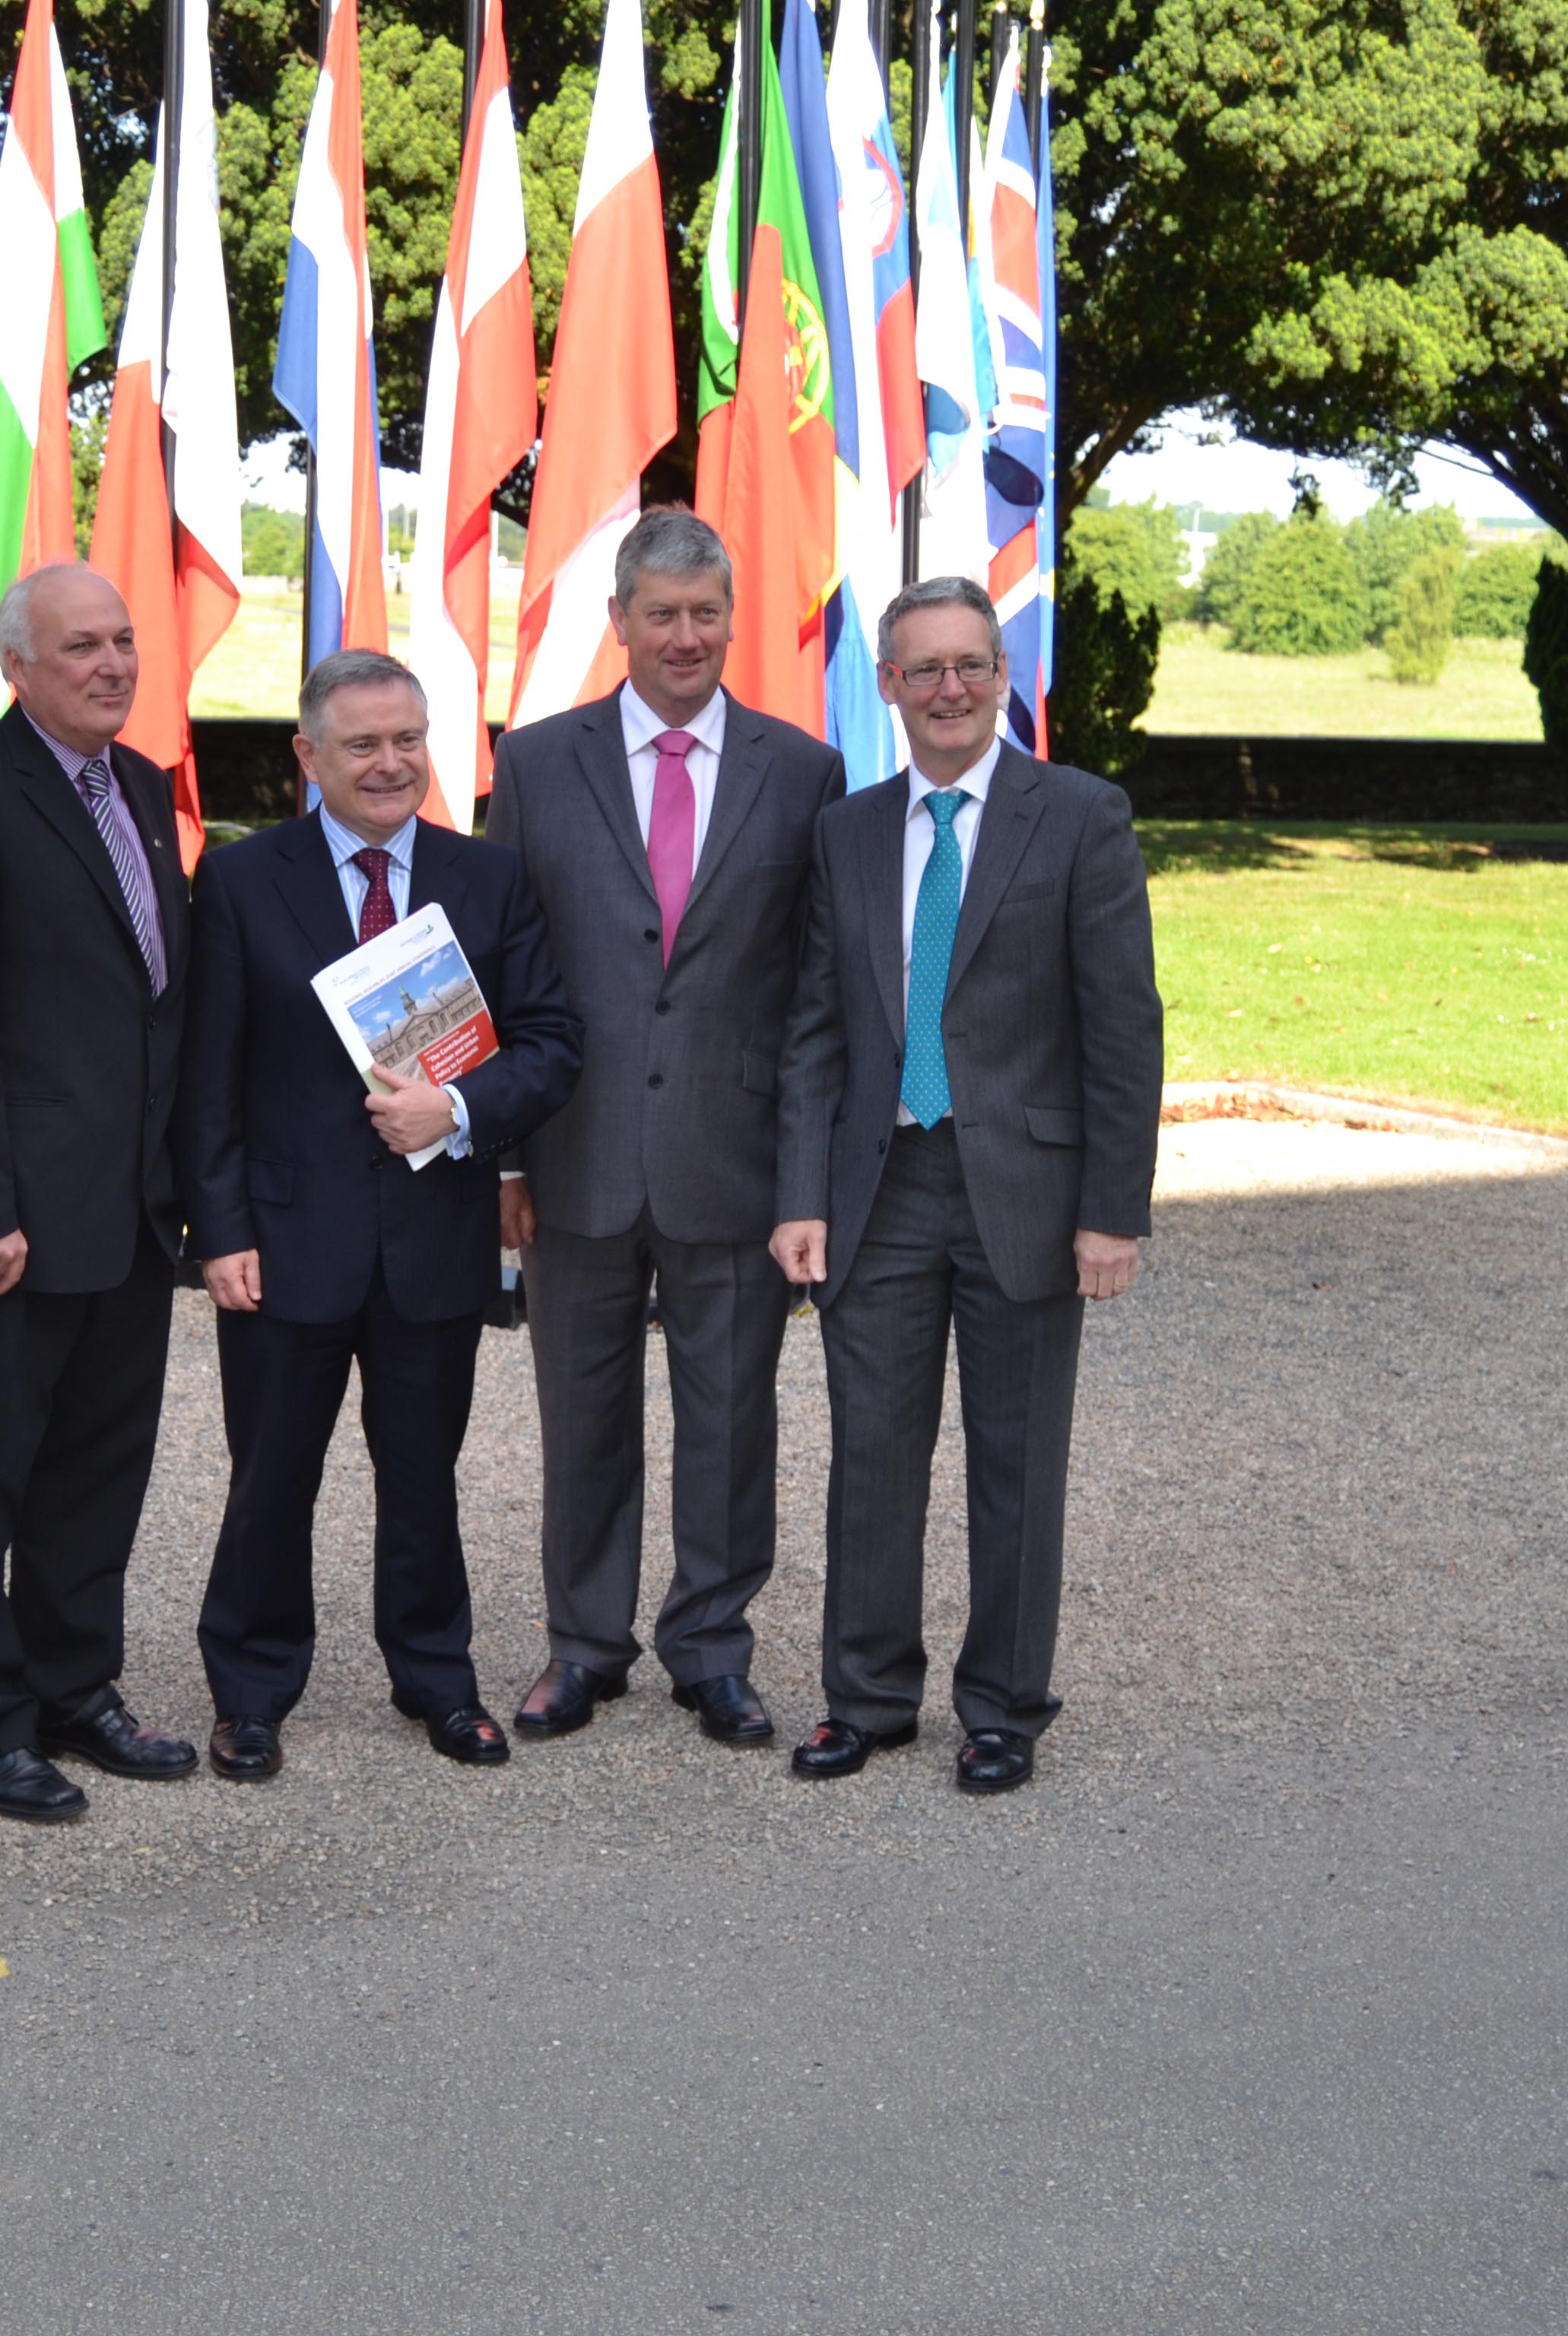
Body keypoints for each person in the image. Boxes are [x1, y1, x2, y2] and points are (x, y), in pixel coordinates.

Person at [769, 576, 1163, 1796]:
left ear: (1003, 679)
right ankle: (867, 1700)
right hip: (879, 1189)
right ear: (888, 685)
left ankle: (1003, 1710)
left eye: (971, 666)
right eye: (924, 669)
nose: (950, 689)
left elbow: (1124, 1028)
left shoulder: (1080, 817)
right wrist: (800, 1194)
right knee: (871, 1460)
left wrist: (1112, 1212)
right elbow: (815, 1028)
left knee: (1018, 1464)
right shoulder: (846, 831)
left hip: (1026, 1194)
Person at [176, 650, 582, 1781]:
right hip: (283, 1240)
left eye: (408, 738)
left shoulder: (487, 877)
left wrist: (458, 1108)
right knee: (271, 1479)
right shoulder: (242, 879)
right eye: (362, 744)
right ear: (309, 756)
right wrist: (220, 1231)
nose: (390, 762)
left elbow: (552, 1042)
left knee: (423, 1480)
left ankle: (438, 1680)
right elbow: (207, 1076)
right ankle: (251, 1691)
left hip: (432, 1237)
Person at [481, 510, 843, 1747]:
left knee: (731, 1422)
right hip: (572, 1154)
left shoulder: (803, 772)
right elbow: (502, 973)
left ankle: (711, 1649)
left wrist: (804, 1181)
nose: (685, 637)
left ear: (732, 620)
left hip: (733, 1161)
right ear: (620, 622)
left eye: (705, 613)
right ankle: (584, 1646)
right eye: (662, 614)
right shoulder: (538, 763)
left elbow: (815, 995)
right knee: (582, 1420)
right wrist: (505, 1155)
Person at [0, 563, 201, 1823]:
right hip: (11, 1222)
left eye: (123, 641)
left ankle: (75, 1686)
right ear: (17, 667)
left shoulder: (141, 786)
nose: (113, 664)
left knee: (97, 1470)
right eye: (82, 647)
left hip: (129, 1210)